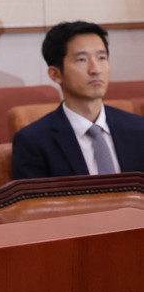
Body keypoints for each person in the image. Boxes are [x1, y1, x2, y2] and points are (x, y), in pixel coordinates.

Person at [12, 21, 144, 179]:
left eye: (101, 58)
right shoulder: (33, 141)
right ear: (56, 74)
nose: (95, 69)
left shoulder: (139, 129)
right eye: (82, 60)